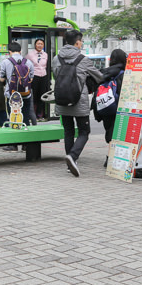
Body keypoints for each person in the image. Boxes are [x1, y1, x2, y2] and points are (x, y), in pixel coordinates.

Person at [53, 29, 103, 177]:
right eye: (81, 41)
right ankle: (73, 156)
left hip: (62, 100)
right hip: (78, 101)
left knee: (68, 131)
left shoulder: (56, 59)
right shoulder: (83, 59)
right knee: (84, 132)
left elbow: (56, 76)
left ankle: (70, 164)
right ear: (77, 42)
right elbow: (99, 77)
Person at [92, 49, 127, 165]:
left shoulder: (105, 72)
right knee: (117, 133)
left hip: (105, 106)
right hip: (117, 106)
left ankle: (111, 158)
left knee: (110, 130)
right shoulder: (123, 73)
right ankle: (112, 159)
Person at [0, 41, 36, 126]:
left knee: (13, 118)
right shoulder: (29, 62)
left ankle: (15, 135)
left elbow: (1, 79)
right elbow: (31, 79)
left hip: (11, 94)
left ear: (9, 52)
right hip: (26, 94)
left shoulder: (5, 62)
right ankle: (26, 135)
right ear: (20, 51)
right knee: (25, 117)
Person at [26, 39, 50, 121]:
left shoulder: (46, 54)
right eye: (38, 44)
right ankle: (33, 115)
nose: (40, 45)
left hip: (43, 76)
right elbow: (26, 66)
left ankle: (41, 115)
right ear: (35, 45)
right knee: (34, 96)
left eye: (41, 44)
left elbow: (47, 66)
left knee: (42, 95)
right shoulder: (30, 55)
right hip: (34, 76)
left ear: (43, 45)